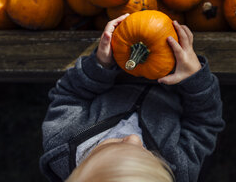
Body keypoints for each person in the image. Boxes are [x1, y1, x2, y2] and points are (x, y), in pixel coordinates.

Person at [39, 13, 225, 182]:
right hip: (176, 81)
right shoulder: (180, 169)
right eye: (147, 152)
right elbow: (204, 123)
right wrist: (194, 79)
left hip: (117, 67)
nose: (134, 139)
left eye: (117, 144)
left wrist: (100, 65)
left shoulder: (61, 141)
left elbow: (69, 94)